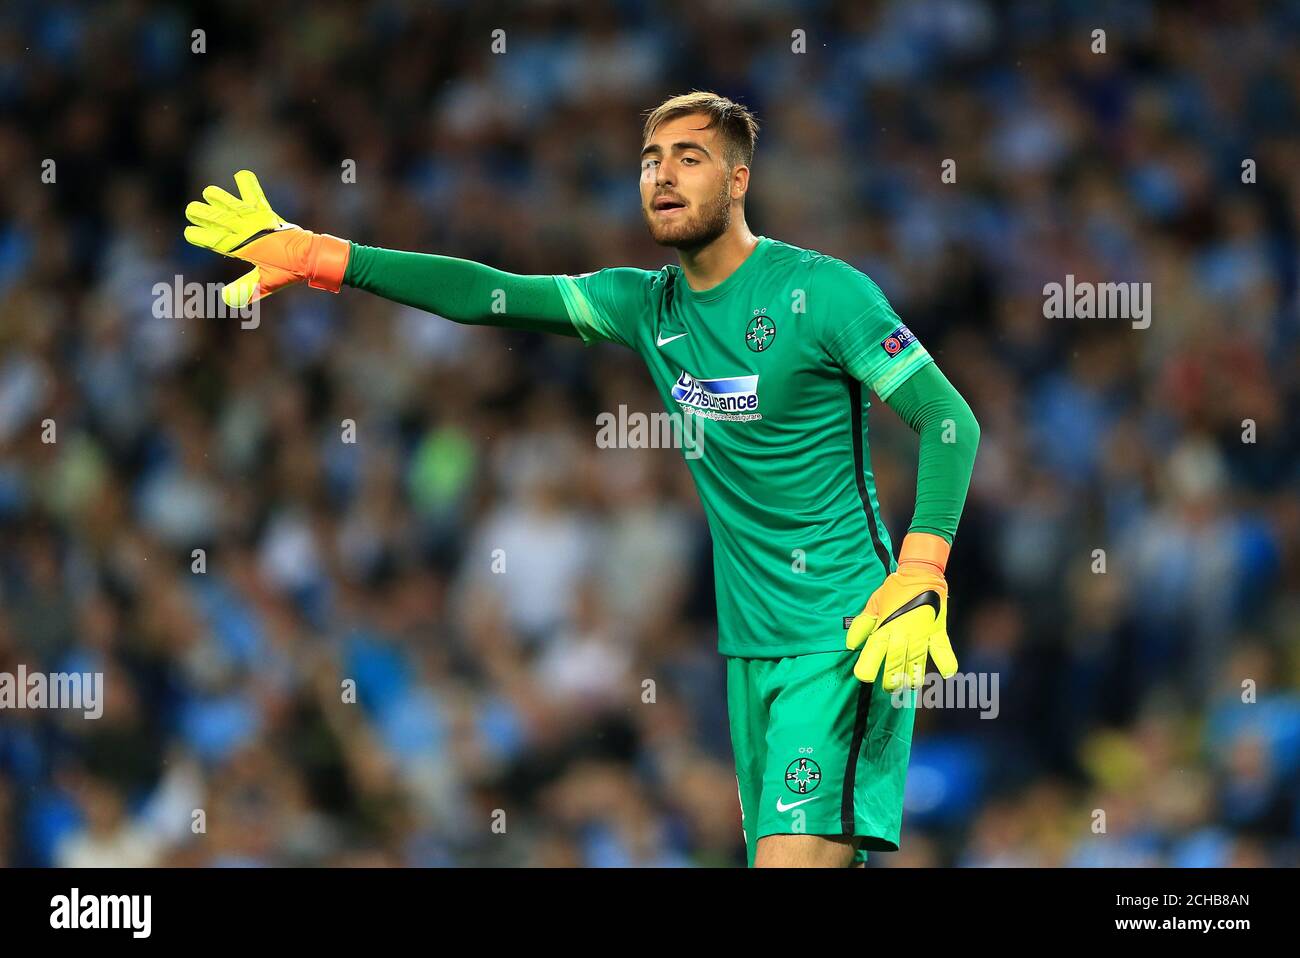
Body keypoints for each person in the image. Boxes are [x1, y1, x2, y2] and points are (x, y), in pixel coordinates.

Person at [184, 91, 981, 868]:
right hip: (749, 649)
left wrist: (920, 568)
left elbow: (949, 421)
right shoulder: (644, 305)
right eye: (649, 161)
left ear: (739, 180)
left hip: (844, 637)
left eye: (690, 158)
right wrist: (325, 256)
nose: (662, 177)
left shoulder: (822, 292)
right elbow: (486, 296)